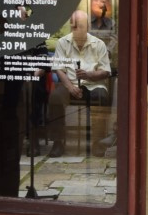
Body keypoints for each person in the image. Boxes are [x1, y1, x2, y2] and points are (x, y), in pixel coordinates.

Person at [46, 10, 110, 157]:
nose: (77, 29)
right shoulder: (63, 42)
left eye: (80, 26)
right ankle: (58, 142)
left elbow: (105, 71)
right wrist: (70, 87)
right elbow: (59, 69)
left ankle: (98, 142)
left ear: (87, 26)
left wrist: (89, 74)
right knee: (55, 98)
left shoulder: (98, 44)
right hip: (70, 83)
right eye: (74, 26)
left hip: (93, 84)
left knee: (101, 96)